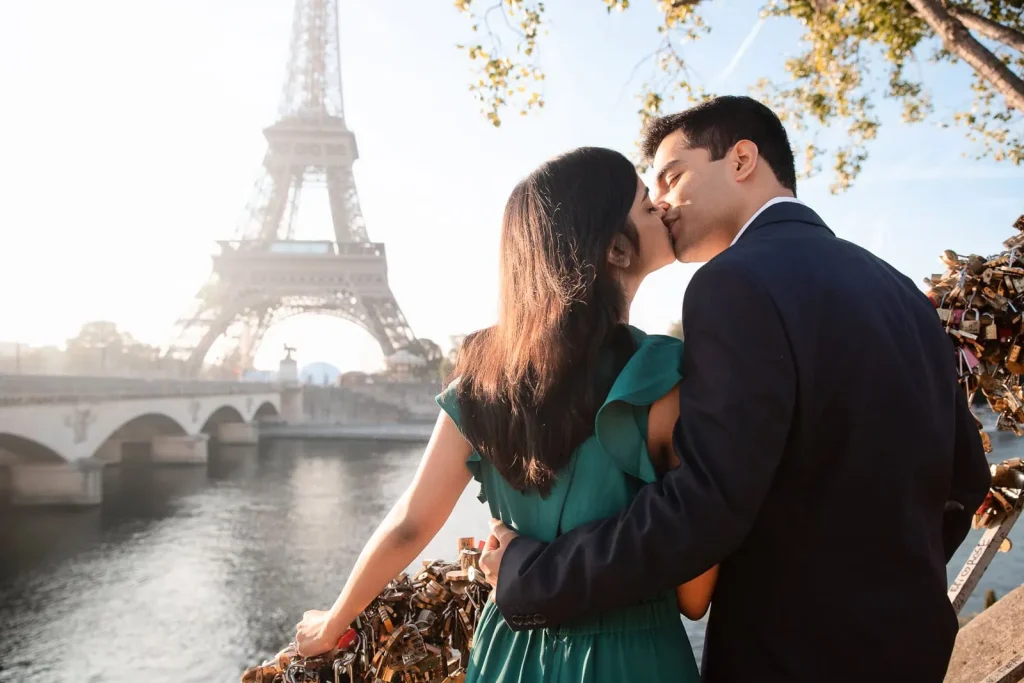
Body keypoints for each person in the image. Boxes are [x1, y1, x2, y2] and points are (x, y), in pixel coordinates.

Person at [480, 96, 993, 683]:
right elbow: (966, 476)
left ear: (743, 158)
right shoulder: (898, 288)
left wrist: (532, 577)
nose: (660, 203)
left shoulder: (732, 283)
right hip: (912, 643)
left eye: (672, 176)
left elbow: (704, 504)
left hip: (790, 655)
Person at [292, 146, 716, 682]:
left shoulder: (481, 382)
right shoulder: (667, 379)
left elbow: (410, 523)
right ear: (615, 248)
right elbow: (694, 595)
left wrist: (335, 621)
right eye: (643, 203)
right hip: (636, 657)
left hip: (509, 650)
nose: (660, 205)